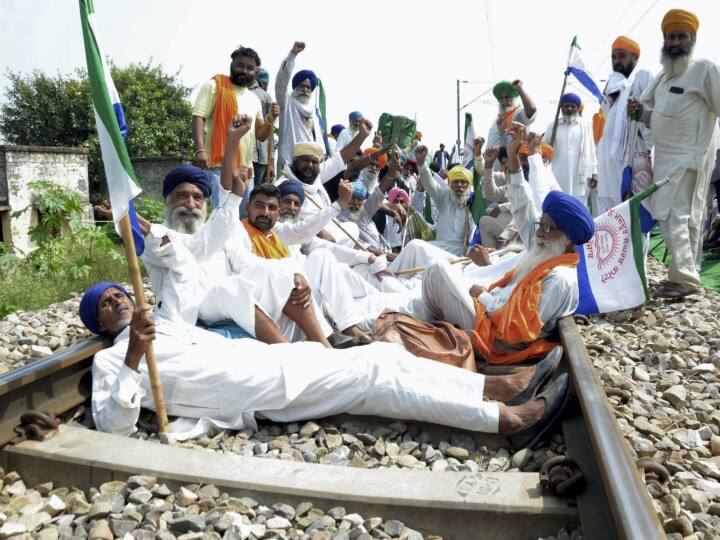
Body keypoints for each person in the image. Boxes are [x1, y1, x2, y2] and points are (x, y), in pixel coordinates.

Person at [81, 281, 571, 450]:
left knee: (381, 355)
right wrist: (130, 356)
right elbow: (115, 426)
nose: (118, 302)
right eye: (106, 304)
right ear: (99, 324)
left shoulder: (166, 325)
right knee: (374, 378)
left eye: (120, 294)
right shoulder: (109, 360)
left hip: (275, 363)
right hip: (254, 389)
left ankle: (494, 389)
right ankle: (504, 421)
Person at [421, 125, 595, 365]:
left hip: (496, 339)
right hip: (492, 315)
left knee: (434, 269)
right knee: (440, 270)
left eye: (547, 227)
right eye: (541, 225)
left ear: (567, 237)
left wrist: (483, 297)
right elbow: (523, 208)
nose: (540, 232)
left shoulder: (559, 279)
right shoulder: (547, 253)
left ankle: (432, 332)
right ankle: (435, 329)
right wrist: (512, 156)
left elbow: (517, 334)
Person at [628, 8, 720, 299]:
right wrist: (642, 113)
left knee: (672, 217)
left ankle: (684, 279)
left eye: (682, 36)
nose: (676, 42)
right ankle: (686, 278)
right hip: (666, 158)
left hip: (689, 157)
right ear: (664, 40)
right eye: (671, 37)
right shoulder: (664, 77)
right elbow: (659, 116)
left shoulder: (704, 68)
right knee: (687, 219)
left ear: (692, 38)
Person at [192, 46, 280, 209]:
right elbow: (198, 116)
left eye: (249, 68)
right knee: (222, 217)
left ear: (256, 71)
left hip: (246, 171)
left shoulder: (254, 99)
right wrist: (200, 150)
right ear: (232, 64)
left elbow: (261, 135)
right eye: (240, 65)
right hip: (218, 167)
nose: (244, 71)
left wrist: (271, 119)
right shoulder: (214, 87)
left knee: (242, 223)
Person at [595, 36, 653, 214]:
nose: (617, 61)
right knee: (614, 214)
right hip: (610, 163)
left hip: (632, 158)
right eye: (614, 57)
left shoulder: (641, 76)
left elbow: (650, 114)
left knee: (635, 213)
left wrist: (644, 156)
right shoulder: (617, 87)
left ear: (635, 57)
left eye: (622, 56)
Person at [415, 147, 476, 256]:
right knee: (414, 246)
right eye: (456, 182)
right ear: (450, 184)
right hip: (440, 248)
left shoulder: (474, 202)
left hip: (462, 252)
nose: (459, 185)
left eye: (463, 182)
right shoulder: (444, 197)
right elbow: (429, 183)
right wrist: (421, 163)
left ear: (469, 185)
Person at [275, 41, 324, 171]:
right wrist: (292, 55)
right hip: (290, 160)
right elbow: (281, 79)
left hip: (310, 163)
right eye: (302, 85)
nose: (305, 90)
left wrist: (321, 153)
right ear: (295, 86)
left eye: (308, 87)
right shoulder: (286, 101)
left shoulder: (312, 109)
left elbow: (317, 135)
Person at [543, 93, 597, 208]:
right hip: (557, 175)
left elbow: (591, 150)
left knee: (578, 207)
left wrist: (594, 172)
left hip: (579, 177)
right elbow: (543, 147)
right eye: (566, 106)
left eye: (572, 106)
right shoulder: (553, 126)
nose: (569, 109)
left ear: (577, 108)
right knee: (559, 205)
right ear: (561, 108)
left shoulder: (586, 126)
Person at [486, 80, 537, 151]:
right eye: (501, 98)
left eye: (507, 97)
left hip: (515, 160)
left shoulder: (518, 113)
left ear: (514, 98)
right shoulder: (496, 120)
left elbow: (531, 109)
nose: (504, 100)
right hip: (493, 161)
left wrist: (520, 90)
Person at [249, 68, 275, 184]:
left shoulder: (238, 92)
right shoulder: (265, 96)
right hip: (259, 157)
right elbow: (269, 131)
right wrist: (271, 163)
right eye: (266, 84)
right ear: (262, 83)